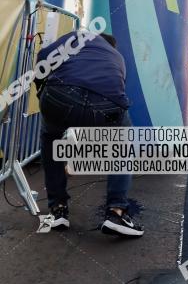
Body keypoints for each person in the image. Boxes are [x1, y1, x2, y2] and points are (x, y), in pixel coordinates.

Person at [36, 29, 143, 237]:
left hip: (60, 95)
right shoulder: (117, 57)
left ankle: (57, 209)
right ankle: (116, 212)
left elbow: (43, 58)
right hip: (106, 106)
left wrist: (41, 89)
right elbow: (116, 89)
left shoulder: (79, 36)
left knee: (50, 139)